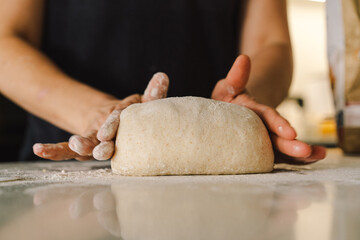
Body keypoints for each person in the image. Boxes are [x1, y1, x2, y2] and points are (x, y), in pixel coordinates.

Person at [0, 0, 326, 163]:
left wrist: (248, 98)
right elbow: (5, 38)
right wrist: (97, 114)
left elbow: (272, 42)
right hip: (66, 175)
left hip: (212, 167)